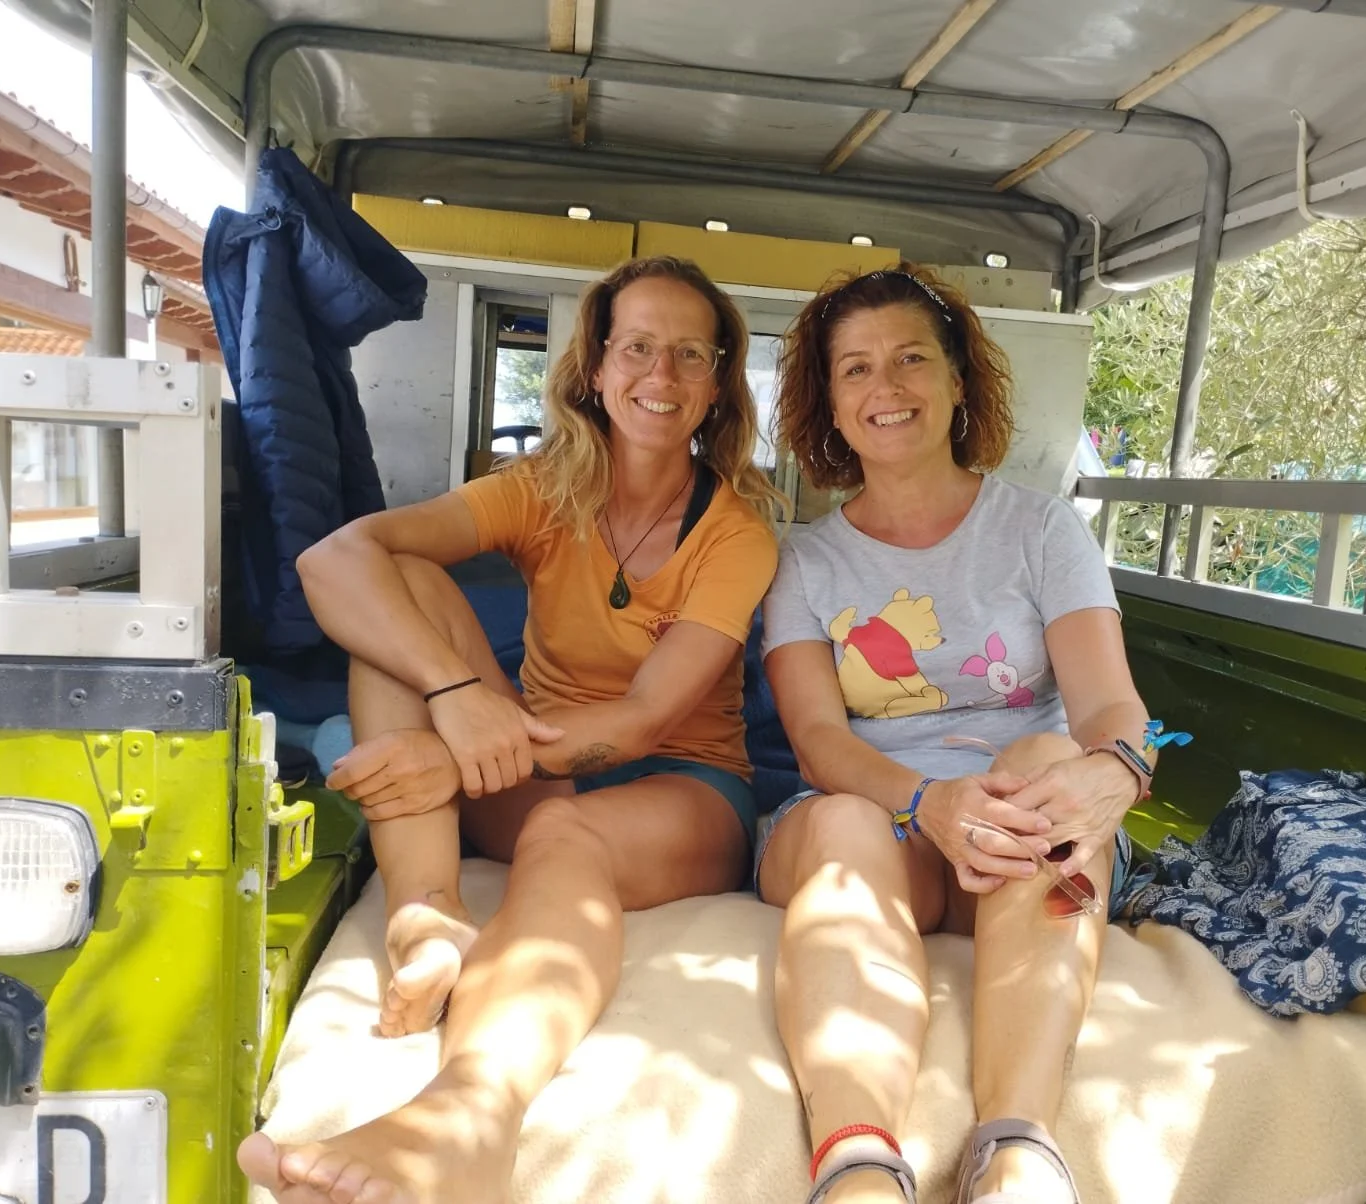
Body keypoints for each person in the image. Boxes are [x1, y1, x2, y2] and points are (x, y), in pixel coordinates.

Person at [238, 255, 782, 1204]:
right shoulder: (543, 488)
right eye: (638, 349)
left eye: (690, 355)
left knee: (564, 830)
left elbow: (641, 721)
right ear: (596, 369)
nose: (661, 375)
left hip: (682, 789)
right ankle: (427, 914)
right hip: (523, 767)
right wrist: (454, 693)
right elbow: (334, 561)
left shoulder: (737, 534)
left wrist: (448, 758)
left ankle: (469, 1119)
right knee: (394, 603)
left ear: (716, 384)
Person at [757, 265, 1155, 1204]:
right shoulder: (804, 562)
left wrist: (1117, 769)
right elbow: (816, 741)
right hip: (874, 820)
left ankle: (1017, 1151)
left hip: (1019, 833)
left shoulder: (1042, 529)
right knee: (846, 819)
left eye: (910, 359)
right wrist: (929, 802)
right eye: (855, 369)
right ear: (830, 404)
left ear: (959, 380)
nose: (885, 387)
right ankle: (857, 1164)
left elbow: (1110, 707)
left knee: (1047, 759)